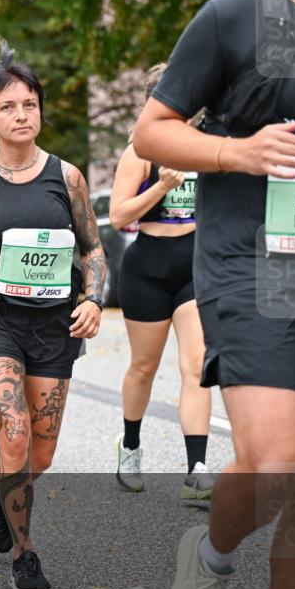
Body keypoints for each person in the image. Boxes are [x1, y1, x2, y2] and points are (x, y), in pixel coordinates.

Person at [133, 0, 295, 589]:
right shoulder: (234, 15)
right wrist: (235, 151)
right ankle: (209, 559)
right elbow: (152, 132)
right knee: (278, 464)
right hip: (248, 260)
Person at [0, 40, 104, 589]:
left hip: (54, 326)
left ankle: (4, 491)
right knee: (13, 433)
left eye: (29, 104)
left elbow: (93, 251)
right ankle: (25, 556)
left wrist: (94, 299)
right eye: (8, 107)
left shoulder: (68, 178)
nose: (21, 115)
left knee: (40, 453)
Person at [109, 64, 214, 499]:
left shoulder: (205, 148)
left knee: (196, 366)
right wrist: (160, 188)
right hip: (147, 266)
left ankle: (197, 469)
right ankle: (130, 445)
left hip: (193, 265)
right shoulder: (140, 151)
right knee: (144, 368)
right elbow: (118, 216)